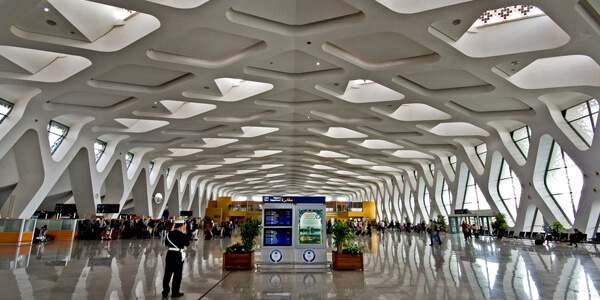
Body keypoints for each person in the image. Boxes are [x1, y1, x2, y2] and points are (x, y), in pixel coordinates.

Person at [162, 220, 189, 298]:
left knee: (167, 273)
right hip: (178, 255)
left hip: (170, 254)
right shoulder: (181, 235)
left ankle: (165, 291)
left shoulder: (169, 234)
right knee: (177, 274)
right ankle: (175, 292)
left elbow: (166, 243)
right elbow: (187, 243)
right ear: (181, 226)